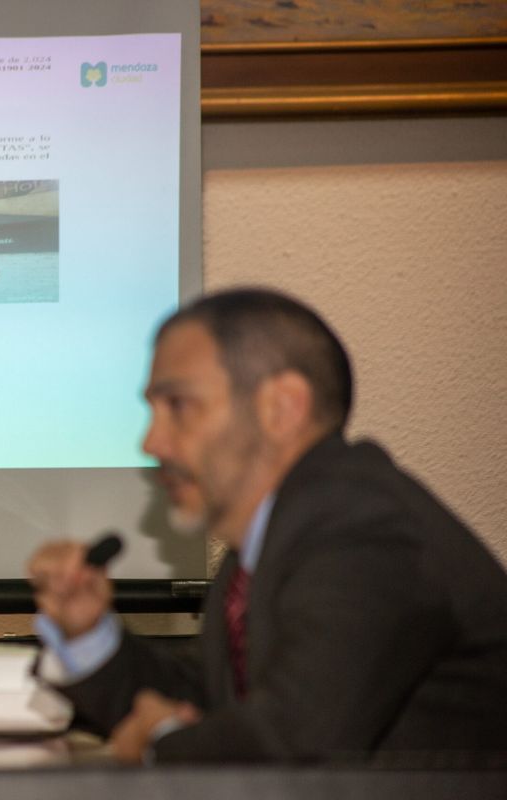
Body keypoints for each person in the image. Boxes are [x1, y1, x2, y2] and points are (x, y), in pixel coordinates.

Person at [28, 287, 507, 764]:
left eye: (178, 405)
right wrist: (88, 635)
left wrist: (159, 744)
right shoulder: (278, 539)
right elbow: (220, 706)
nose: (151, 442)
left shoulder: (367, 532)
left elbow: (295, 746)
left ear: (282, 408)